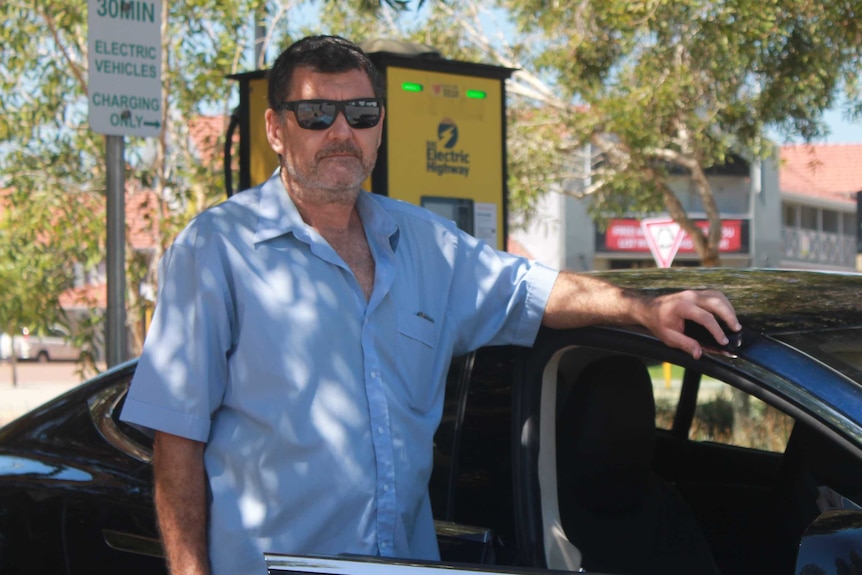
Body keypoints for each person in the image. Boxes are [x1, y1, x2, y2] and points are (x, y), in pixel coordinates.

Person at [121, 34, 740, 575]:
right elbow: (178, 438)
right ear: (276, 129)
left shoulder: (426, 246)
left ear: (381, 127)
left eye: (361, 113)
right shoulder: (216, 250)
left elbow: (534, 289)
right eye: (316, 114)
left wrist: (644, 308)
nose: (342, 132)